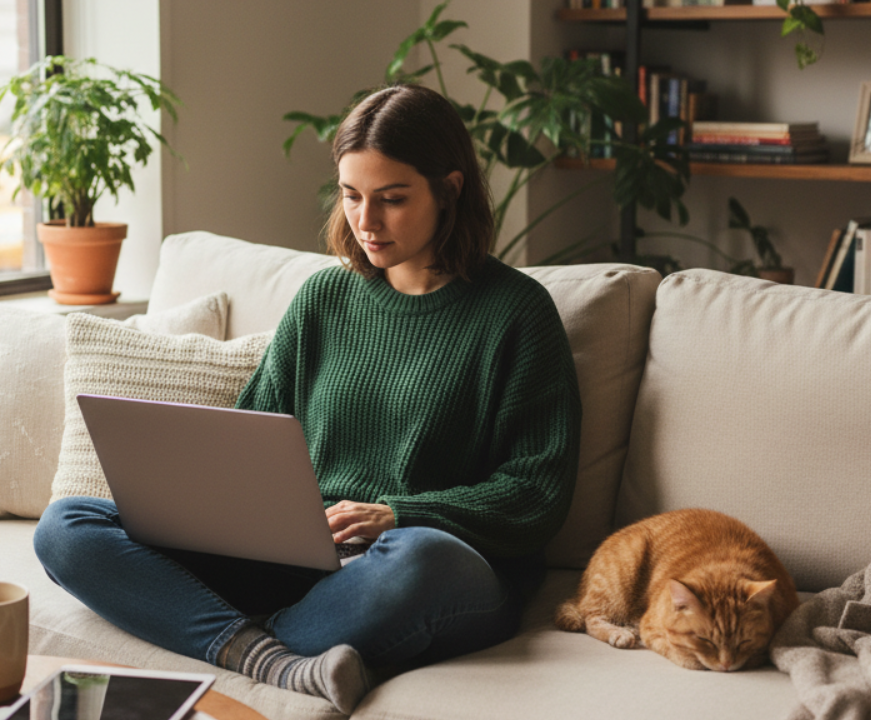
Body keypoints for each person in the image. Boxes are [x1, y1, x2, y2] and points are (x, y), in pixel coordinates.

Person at [33, 84, 582, 713]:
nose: (366, 222)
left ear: (450, 190)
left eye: (392, 200)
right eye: (351, 197)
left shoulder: (516, 314)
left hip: (417, 564)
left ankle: (224, 632)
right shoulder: (323, 300)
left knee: (424, 558)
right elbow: (248, 438)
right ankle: (271, 656)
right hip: (296, 557)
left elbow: (536, 493)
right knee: (67, 526)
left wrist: (396, 514)